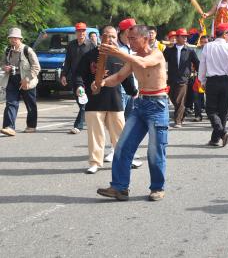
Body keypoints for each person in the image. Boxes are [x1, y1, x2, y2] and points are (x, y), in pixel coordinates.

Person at [96, 25, 169, 202]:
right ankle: (119, 188)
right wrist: (103, 83)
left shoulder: (156, 54)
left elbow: (143, 63)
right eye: (128, 39)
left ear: (146, 39)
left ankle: (157, 188)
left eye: (133, 38)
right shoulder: (132, 58)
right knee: (122, 147)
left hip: (157, 105)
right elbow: (119, 77)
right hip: (140, 105)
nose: (130, 42)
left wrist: (117, 53)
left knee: (155, 150)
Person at [74, 26, 137, 174]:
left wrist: (132, 91)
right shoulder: (89, 55)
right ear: (102, 37)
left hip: (115, 99)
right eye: (107, 36)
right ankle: (95, 162)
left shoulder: (120, 56)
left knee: (120, 133)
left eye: (113, 37)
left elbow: (126, 76)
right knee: (95, 134)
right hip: (94, 100)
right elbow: (78, 75)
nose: (111, 39)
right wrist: (78, 86)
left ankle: (127, 159)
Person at [198, 22, 228, 147]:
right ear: (225, 33)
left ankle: (218, 137)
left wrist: (203, 81)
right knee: (222, 111)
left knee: (211, 110)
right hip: (226, 82)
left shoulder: (208, 46)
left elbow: (202, 65)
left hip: (212, 81)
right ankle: (220, 135)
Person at [1, 28, 40, 136]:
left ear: (20, 39)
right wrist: (5, 67)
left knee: (30, 105)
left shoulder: (27, 50)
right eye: (11, 38)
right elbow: (2, 63)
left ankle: (31, 126)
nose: (13, 40)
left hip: (27, 81)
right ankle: (9, 127)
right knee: (11, 103)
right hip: (12, 79)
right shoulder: (8, 50)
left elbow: (36, 67)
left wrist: (27, 79)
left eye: (15, 38)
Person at [61, 22, 96, 134]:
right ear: (75, 32)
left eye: (83, 31)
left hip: (88, 78)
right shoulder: (71, 45)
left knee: (83, 102)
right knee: (81, 101)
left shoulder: (91, 45)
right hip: (75, 77)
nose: (81, 33)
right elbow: (67, 62)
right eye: (79, 31)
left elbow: (96, 62)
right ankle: (89, 119)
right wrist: (63, 75)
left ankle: (78, 126)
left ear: (85, 32)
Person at [163, 28, 200, 128]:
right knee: (173, 99)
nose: (185, 38)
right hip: (171, 79)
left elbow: (197, 64)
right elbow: (161, 62)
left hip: (183, 80)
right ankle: (182, 113)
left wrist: (200, 76)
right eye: (183, 36)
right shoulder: (169, 50)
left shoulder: (190, 50)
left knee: (179, 100)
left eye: (186, 37)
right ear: (177, 37)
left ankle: (178, 121)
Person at [193, 35, 208, 122]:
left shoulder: (212, 50)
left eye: (205, 42)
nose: (203, 44)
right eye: (202, 42)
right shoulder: (196, 50)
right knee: (197, 97)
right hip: (199, 76)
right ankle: (198, 115)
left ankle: (210, 115)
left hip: (210, 77)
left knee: (210, 98)